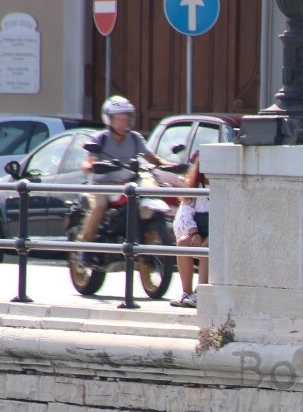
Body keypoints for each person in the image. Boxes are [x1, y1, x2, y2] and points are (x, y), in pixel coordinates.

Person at [78, 95, 162, 245]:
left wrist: (169, 165)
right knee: (99, 207)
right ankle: (84, 246)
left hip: (128, 184)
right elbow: (88, 162)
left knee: (149, 200)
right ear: (109, 119)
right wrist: (90, 166)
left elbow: (151, 157)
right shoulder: (100, 138)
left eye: (126, 118)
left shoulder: (135, 138)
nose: (124, 122)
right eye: (119, 119)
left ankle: (147, 241)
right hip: (103, 186)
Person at [170, 160, 209, 309]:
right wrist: (195, 233)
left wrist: (209, 238)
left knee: (207, 248)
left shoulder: (223, 187)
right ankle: (186, 292)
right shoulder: (194, 188)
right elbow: (186, 214)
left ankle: (201, 293)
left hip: (216, 235)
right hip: (198, 232)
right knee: (182, 243)